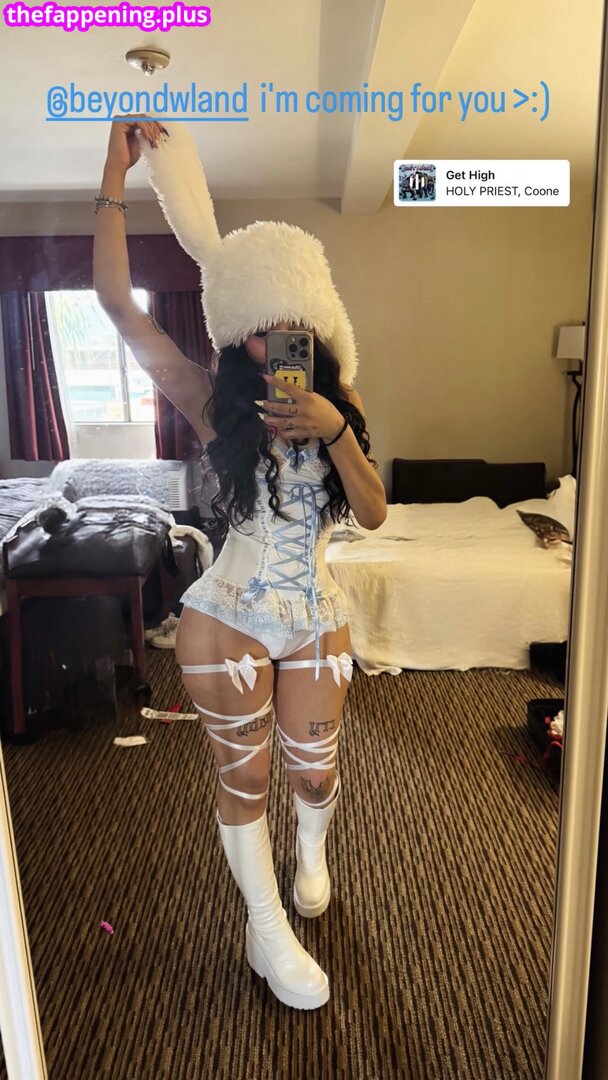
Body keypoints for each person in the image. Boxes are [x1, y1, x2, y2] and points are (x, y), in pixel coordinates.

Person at [93, 117, 387, 1011]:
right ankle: (265, 928)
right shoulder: (207, 399)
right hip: (227, 610)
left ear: (320, 325)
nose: (281, 340)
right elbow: (118, 305)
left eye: (297, 324)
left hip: (315, 611)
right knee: (246, 776)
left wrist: (334, 430)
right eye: (263, 329)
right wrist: (114, 173)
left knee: (314, 773)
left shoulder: (342, 402)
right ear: (237, 336)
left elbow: (374, 511)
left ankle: (312, 851)